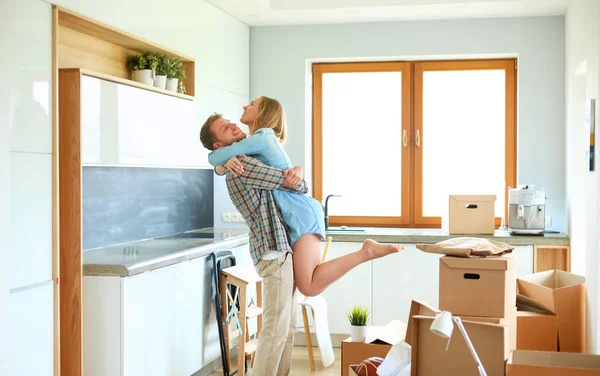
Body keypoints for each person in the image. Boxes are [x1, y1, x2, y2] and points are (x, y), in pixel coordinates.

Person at [200, 97, 402, 298]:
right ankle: (365, 252)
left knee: (310, 286)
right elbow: (220, 158)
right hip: (298, 212)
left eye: (252, 104)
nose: (244, 107)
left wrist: (222, 162)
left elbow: (214, 156)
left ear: (262, 114)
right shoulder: (256, 143)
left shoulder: (262, 137)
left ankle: (365, 252)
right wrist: (223, 164)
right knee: (309, 286)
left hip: (299, 213)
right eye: (226, 127)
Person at [209, 152, 303, 375]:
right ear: (219, 144)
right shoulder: (241, 163)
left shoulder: (242, 159)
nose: (234, 123)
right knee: (276, 330)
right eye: (225, 126)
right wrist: (297, 174)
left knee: (286, 328)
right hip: (274, 251)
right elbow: (297, 186)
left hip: (281, 250)